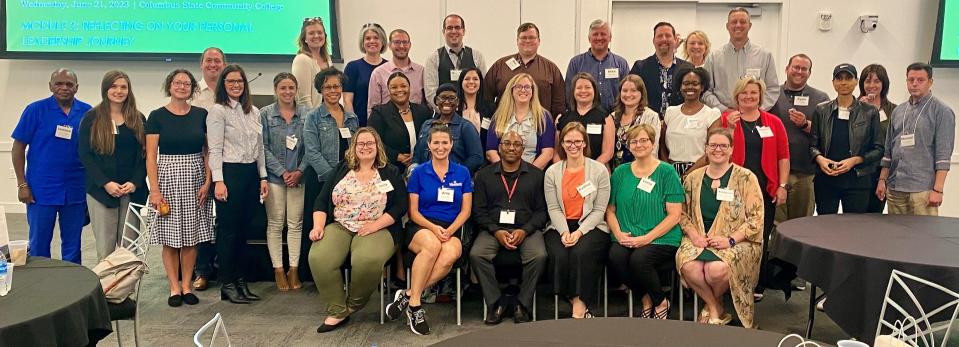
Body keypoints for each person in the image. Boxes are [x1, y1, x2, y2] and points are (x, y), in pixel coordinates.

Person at [308, 127, 408, 333]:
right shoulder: (341, 169)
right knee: (319, 257)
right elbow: (321, 200)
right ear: (353, 147)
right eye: (360, 143)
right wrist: (318, 226)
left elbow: (400, 205)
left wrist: (375, 225)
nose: (365, 147)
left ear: (377, 146)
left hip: (378, 226)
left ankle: (353, 304)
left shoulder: (389, 171)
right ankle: (337, 310)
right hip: (340, 225)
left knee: (366, 260)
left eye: (369, 143)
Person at [386, 125, 472, 335]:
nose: (440, 147)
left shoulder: (462, 172)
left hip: (452, 227)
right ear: (428, 145)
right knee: (432, 246)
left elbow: (466, 210)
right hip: (423, 225)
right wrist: (434, 228)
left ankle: (408, 296)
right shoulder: (419, 173)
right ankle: (415, 306)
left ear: (451, 145)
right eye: (436, 143)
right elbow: (413, 212)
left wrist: (450, 230)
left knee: (450, 253)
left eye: (445, 142)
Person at [709, 76, 789, 301]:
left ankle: (756, 282)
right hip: (732, 190)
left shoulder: (773, 122)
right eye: (744, 93)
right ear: (736, 96)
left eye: (753, 93)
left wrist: (782, 186)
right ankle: (730, 280)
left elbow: (783, 157)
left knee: (759, 237)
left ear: (760, 96)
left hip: (765, 189)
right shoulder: (726, 119)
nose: (749, 97)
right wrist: (731, 128)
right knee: (730, 235)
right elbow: (716, 149)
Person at [677, 128, 764, 327]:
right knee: (690, 266)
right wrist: (694, 234)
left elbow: (756, 218)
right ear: (706, 149)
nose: (718, 150)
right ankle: (715, 307)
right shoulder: (693, 178)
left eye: (723, 146)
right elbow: (681, 213)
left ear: (731, 149)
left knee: (715, 270)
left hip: (737, 241)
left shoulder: (746, 178)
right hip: (698, 238)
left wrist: (730, 239)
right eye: (713, 145)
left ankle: (710, 307)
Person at [145, 69, 213, 307]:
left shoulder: (201, 114)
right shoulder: (156, 116)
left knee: (191, 238)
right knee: (171, 238)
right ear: (169, 86)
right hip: (167, 179)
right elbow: (151, 156)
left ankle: (187, 286)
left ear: (192, 88)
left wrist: (208, 180)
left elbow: (207, 151)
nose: (182, 87)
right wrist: (154, 189)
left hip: (195, 178)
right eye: (177, 82)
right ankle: (174, 287)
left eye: (186, 83)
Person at [12, 69, 91, 264]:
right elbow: (18, 148)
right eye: (59, 83)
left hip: (75, 188)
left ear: (76, 88)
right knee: (39, 243)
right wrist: (22, 184)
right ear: (50, 86)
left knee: (73, 244)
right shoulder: (35, 110)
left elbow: (94, 150)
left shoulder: (87, 112)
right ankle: (41, 287)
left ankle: (72, 285)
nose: (64, 88)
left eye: (69, 84)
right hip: (41, 188)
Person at [470, 130, 548, 325]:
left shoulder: (536, 176)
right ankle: (496, 302)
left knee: (539, 256)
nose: (511, 147)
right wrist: (496, 231)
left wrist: (525, 230)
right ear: (499, 147)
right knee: (476, 254)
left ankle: (522, 303)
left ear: (523, 149)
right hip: (493, 229)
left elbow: (541, 212)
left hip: (527, 230)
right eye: (507, 143)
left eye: (516, 144)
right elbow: (478, 211)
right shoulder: (484, 175)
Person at [606, 123, 683, 320]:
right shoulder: (620, 173)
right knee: (616, 257)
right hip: (627, 235)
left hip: (660, 237)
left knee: (639, 260)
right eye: (634, 141)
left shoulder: (667, 172)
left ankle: (660, 301)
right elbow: (610, 210)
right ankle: (647, 298)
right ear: (628, 145)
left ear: (652, 142)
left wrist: (646, 238)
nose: (639, 144)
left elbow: (675, 215)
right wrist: (619, 234)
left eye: (644, 140)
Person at [208, 64, 267, 304]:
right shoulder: (217, 111)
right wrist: (218, 181)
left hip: (250, 173)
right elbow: (214, 149)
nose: (236, 85)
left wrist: (263, 176)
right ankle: (228, 283)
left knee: (244, 232)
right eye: (231, 81)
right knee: (228, 232)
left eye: (240, 81)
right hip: (229, 174)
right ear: (223, 84)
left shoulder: (253, 111)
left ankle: (242, 282)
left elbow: (260, 147)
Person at [78, 70, 148, 262]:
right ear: (105, 89)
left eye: (123, 87)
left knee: (129, 250)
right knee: (105, 250)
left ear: (129, 90)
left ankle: (125, 292)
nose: (119, 91)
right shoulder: (91, 118)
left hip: (131, 192)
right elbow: (85, 155)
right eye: (114, 86)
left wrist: (135, 182)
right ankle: (107, 291)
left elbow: (145, 156)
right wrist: (105, 183)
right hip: (101, 192)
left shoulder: (138, 118)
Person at [544, 123, 611, 319]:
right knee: (559, 254)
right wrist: (565, 232)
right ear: (562, 144)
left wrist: (580, 232)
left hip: (592, 226)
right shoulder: (552, 172)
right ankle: (572, 298)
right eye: (568, 141)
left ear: (584, 143)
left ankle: (579, 309)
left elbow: (599, 209)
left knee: (581, 253)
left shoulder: (599, 171)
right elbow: (554, 208)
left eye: (577, 141)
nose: (573, 145)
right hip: (560, 224)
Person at [877, 63, 955, 216]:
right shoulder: (898, 111)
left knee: (923, 238)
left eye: (920, 80)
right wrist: (882, 180)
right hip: (895, 187)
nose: (914, 84)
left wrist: (938, 190)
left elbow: (943, 154)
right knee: (897, 236)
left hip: (923, 190)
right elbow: (888, 150)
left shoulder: (942, 111)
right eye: (911, 79)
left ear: (930, 82)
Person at [809, 64, 883, 215]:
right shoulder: (821, 110)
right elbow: (812, 146)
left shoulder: (870, 112)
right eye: (839, 78)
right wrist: (819, 159)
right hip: (826, 180)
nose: (843, 82)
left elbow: (878, 149)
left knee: (854, 231)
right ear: (833, 82)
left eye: (848, 78)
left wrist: (856, 160)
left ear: (856, 82)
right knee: (825, 229)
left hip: (858, 180)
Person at [260, 72, 311, 291]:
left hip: (299, 177)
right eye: (283, 88)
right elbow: (262, 147)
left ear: (296, 90)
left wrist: (299, 171)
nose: (288, 92)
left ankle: (293, 269)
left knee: (295, 224)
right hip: (274, 178)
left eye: (291, 87)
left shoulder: (307, 114)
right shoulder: (265, 114)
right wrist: (282, 172)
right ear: (276, 90)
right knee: (275, 223)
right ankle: (278, 269)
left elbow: (312, 146)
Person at [768, 54, 830, 223]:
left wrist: (805, 124)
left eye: (804, 69)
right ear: (787, 69)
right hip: (776, 172)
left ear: (810, 73)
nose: (799, 71)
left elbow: (827, 134)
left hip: (805, 172)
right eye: (796, 67)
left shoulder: (821, 99)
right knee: (776, 222)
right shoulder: (771, 95)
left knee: (802, 224)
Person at [191, 46, 225, 291]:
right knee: (201, 219)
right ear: (202, 65)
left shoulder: (231, 91)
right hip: (200, 164)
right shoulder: (193, 93)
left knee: (224, 219)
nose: (213, 64)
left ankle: (225, 267)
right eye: (209, 61)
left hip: (228, 164)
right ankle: (201, 271)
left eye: (218, 61)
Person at [703, 7, 780, 113]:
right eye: (734, 22)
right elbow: (706, 91)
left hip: (755, 118)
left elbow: (772, 89)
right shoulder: (713, 58)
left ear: (750, 26)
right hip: (723, 118)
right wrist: (723, 110)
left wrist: (756, 110)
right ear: (727, 26)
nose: (738, 25)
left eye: (743, 22)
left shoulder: (765, 56)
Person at [486, 22, 566, 117]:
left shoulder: (551, 69)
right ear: (517, 41)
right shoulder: (500, 66)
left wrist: (554, 126)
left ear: (539, 41)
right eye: (523, 37)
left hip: (540, 127)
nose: (527, 41)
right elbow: (486, 97)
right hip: (505, 127)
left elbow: (559, 103)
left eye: (532, 37)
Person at [485, 73, 556, 169]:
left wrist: (529, 175)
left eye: (527, 87)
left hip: (533, 174)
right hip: (502, 174)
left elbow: (547, 153)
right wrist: (504, 171)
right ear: (511, 90)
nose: (523, 90)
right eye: (518, 86)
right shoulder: (499, 116)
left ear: (533, 91)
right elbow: (491, 151)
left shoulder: (543, 117)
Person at [412, 83, 484, 173]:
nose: (446, 101)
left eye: (451, 98)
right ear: (436, 101)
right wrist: (415, 170)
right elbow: (417, 154)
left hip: (454, 181)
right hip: (426, 179)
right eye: (442, 97)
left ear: (457, 102)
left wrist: (456, 173)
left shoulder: (466, 127)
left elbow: (476, 157)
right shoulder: (426, 125)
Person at [663, 66, 721, 177]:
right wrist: (669, 171)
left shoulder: (712, 114)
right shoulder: (670, 112)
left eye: (695, 84)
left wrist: (688, 175)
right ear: (680, 86)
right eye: (686, 83)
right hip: (671, 172)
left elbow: (713, 149)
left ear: (702, 87)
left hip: (701, 171)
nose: (690, 87)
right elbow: (661, 146)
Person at [369, 72, 431, 171]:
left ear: (410, 88)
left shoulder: (423, 111)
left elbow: (430, 138)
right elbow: (373, 141)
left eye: (403, 86)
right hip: (390, 169)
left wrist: (416, 156)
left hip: (421, 167)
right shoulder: (379, 113)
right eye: (394, 87)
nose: (399, 90)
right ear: (388, 90)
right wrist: (398, 156)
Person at [564, 19, 629, 112]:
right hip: (583, 119)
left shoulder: (621, 64)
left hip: (615, 119)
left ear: (610, 37)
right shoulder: (576, 63)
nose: (599, 38)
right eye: (595, 34)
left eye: (603, 34)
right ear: (589, 38)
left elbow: (628, 91)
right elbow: (568, 94)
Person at [424, 14, 487, 109]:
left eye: (457, 27)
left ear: (463, 31)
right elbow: (431, 93)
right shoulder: (433, 59)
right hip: (445, 115)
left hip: (472, 113)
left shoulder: (477, 56)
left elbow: (483, 88)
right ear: (443, 31)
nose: (453, 31)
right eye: (449, 28)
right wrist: (447, 111)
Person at [858, 64, 896, 213]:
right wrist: (861, 111)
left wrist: (883, 178)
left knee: (875, 216)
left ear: (884, 83)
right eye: (868, 81)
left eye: (876, 81)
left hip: (882, 170)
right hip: (859, 170)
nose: (871, 85)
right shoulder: (855, 107)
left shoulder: (893, 110)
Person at [629, 22, 689, 117]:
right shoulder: (640, 67)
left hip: (679, 125)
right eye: (660, 36)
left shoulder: (688, 68)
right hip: (647, 126)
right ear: (653, 40)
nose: (664, 39)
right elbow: (631, 96)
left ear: (674, 40)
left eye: (668, 35)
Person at [555, 73, 614, 165]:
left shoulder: (606, 118)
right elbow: (556, 153)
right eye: (579, 88)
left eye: (587, 87)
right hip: (567, 172)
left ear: (594, 90)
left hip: (596, 170)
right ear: (573, 91)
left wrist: (589, 169)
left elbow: (608, 153)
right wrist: (564, 169)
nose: (583, 91)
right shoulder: (561, 118)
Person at [368, 29, 425, 114]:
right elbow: (373, 108)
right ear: (390, 45)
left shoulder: (421, 71)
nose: (401, 46)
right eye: (397, 42)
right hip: (387, 125)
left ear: (410, 45)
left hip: (416, 123)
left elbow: (428, 105)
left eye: (405, 42)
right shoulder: (378, 73)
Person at [344, 23, 388, 126]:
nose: (372, 41)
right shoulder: (352, 67)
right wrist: (353, 125)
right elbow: (347, 101)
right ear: (362, 42)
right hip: (360, 124)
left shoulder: (389, 67)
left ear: (382, 42)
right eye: (367, 38)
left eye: (376, 38)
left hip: (386, 125)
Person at [611, 75, 660, 167]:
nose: (628, 94)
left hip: (641, 170)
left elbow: (653, 150)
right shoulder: (612, 117)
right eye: (625, 90)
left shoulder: (651, 116)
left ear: (642, 93)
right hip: (615, 173)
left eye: (633, 90)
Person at [292, 17, 332, 109]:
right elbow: (304, 100)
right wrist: (313, 121)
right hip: (312, 118)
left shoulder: (327, 58)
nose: (316, 36)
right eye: (311, 33)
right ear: (304, 38)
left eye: (320, 32)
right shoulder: (301, 60)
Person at [456, 67, 496, 146]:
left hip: (483, 154)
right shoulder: (454, 108)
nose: (471, 82)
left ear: (480, 82)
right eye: (467, 79)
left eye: (475, 79)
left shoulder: (490, 108)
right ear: (461, 82)